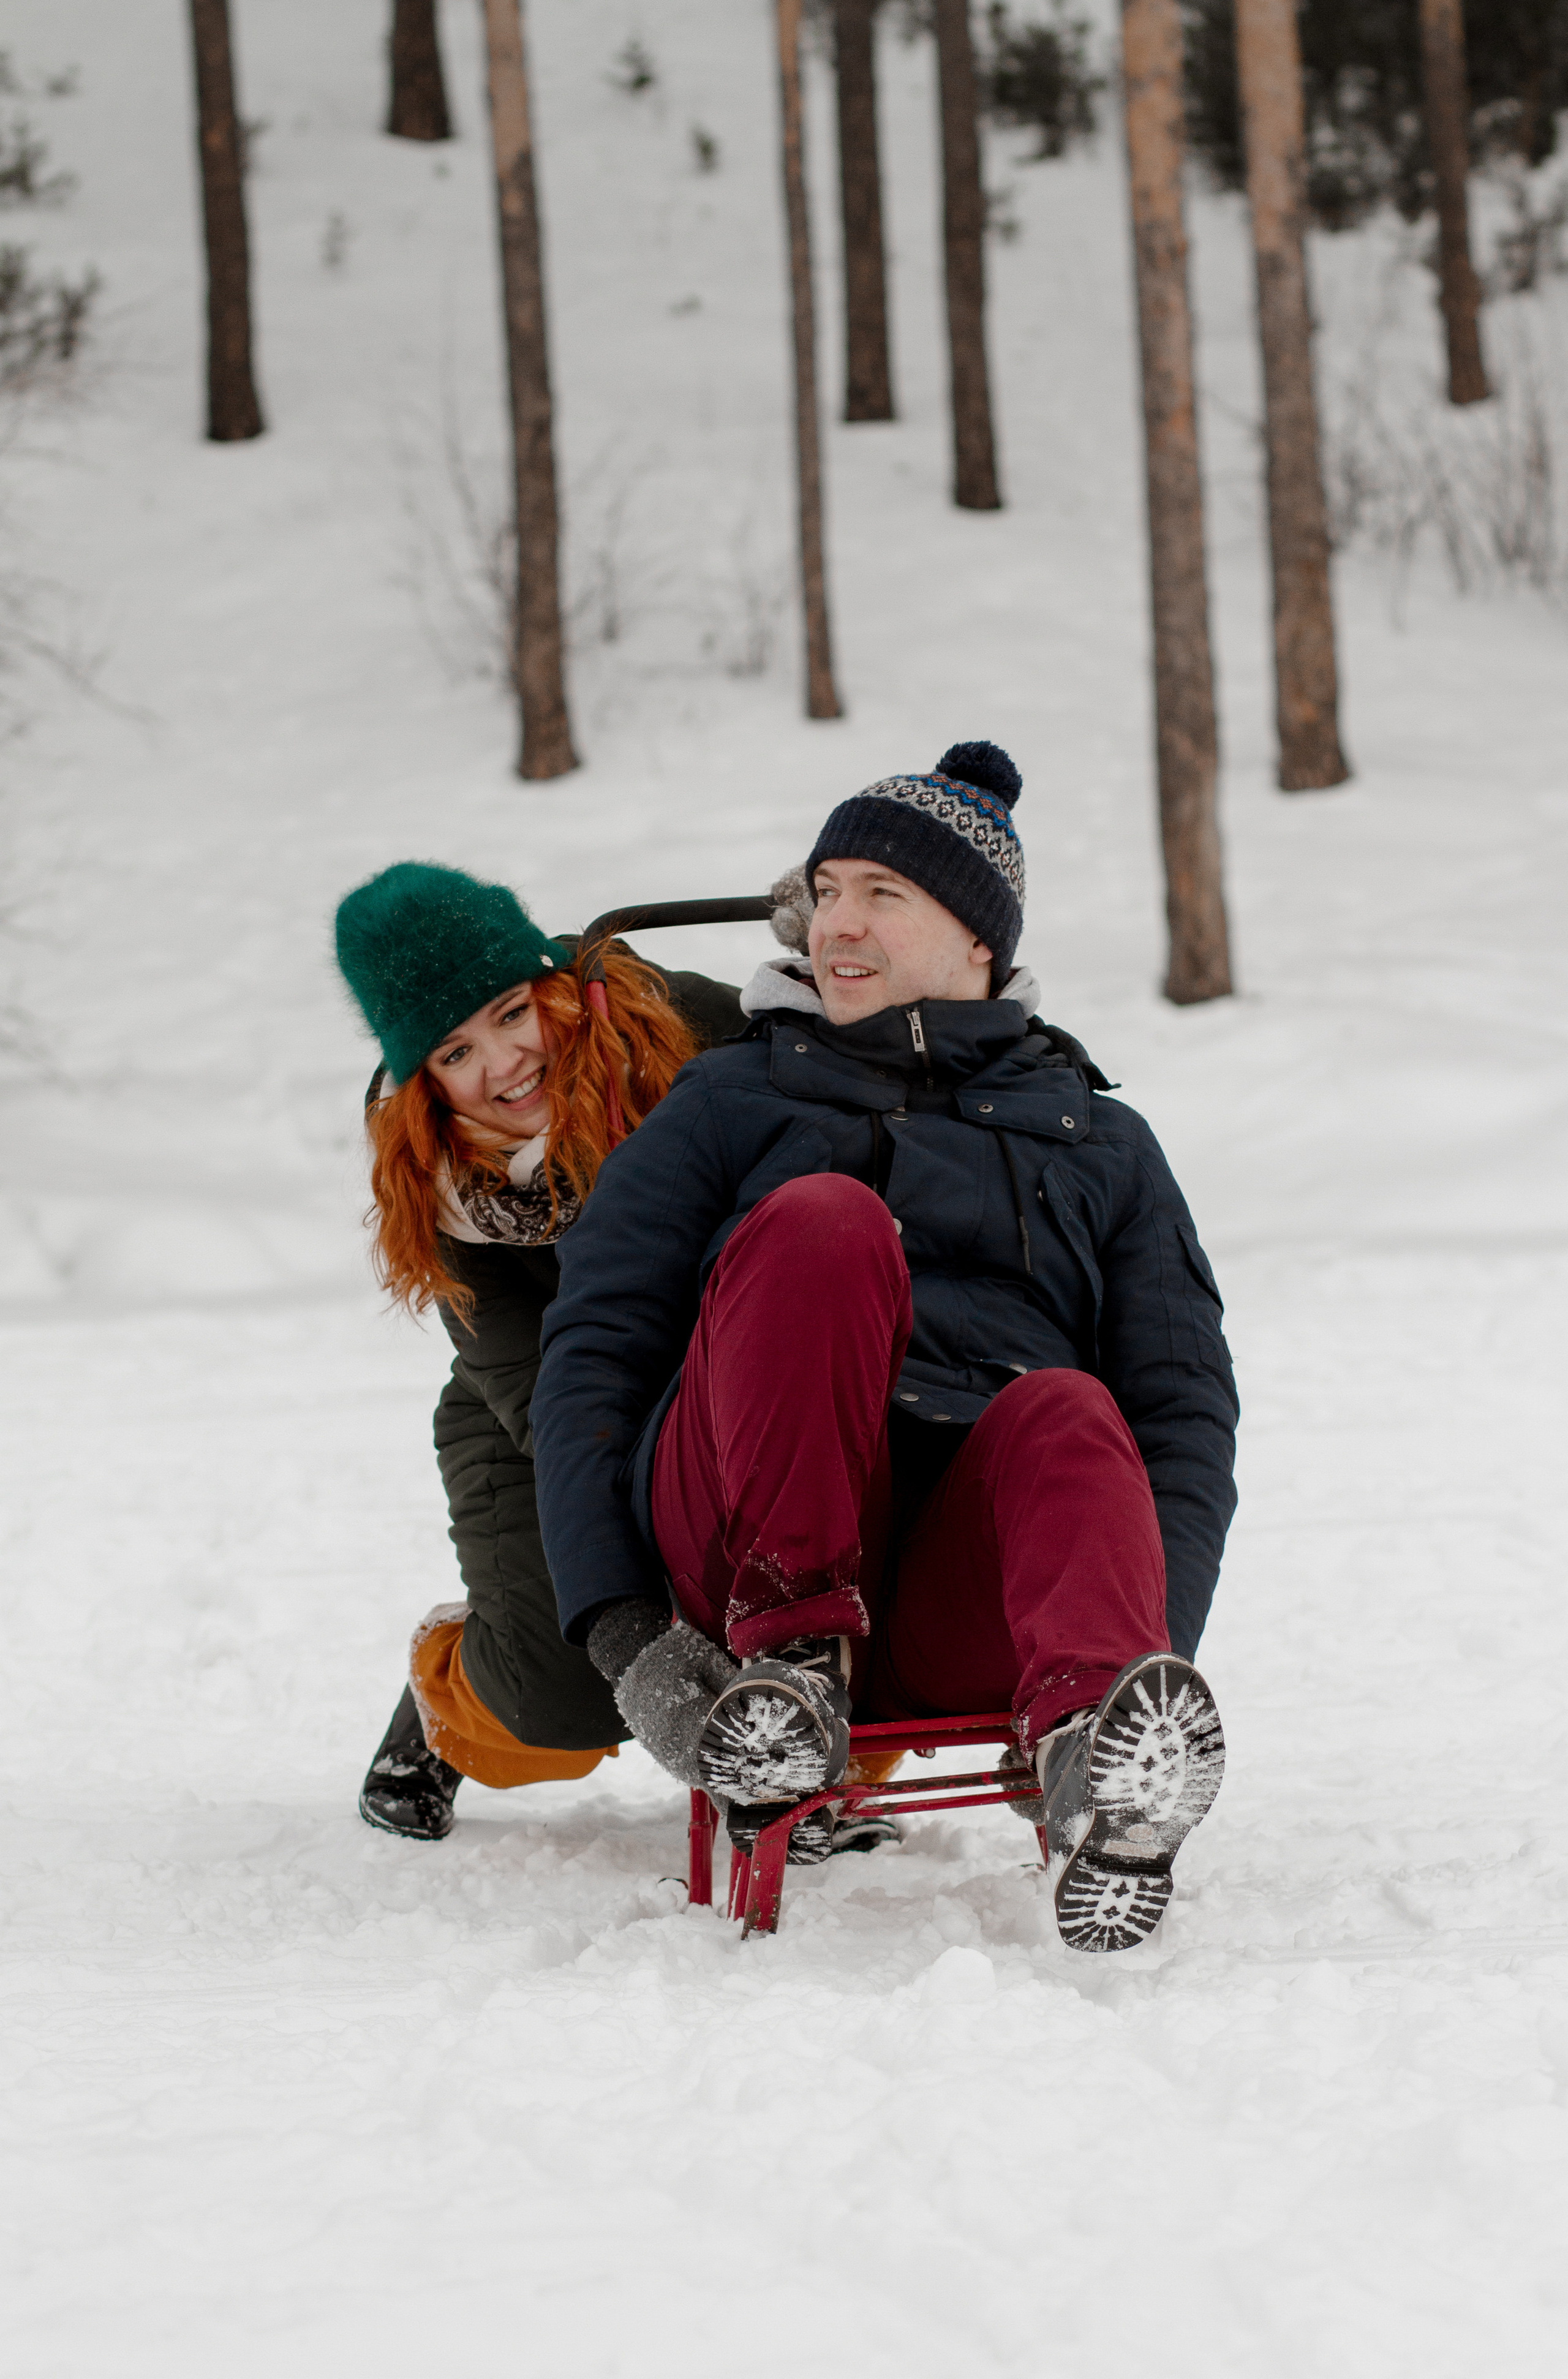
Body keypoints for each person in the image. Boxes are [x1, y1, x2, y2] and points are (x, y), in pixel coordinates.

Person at [530, 742, 1239, 1952]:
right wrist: (624, 1634)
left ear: (976, 939)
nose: (835, 924)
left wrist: (1142, 1630)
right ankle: (796, 1673)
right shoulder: (728, 1099)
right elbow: (594, 1355)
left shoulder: (1102, 1144)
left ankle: (1099, 1753)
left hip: (971, 1588)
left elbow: (1179, 1415)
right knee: (824, 1222)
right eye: (826, 890)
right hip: (746, 1563)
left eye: (881, 894)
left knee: (1069, 1408)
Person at [333, 859, 741, 1841]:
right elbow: (534, 1391)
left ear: (553, 987)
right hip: (544, 1424)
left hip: (735, 1377)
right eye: (456, 1052)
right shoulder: (439, 1187)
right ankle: (447, 1696)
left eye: (512, 1014)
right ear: (425, 1082)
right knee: (560, 1699)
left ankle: (823, 1766)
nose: (506, 1064)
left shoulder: (682, 1027)